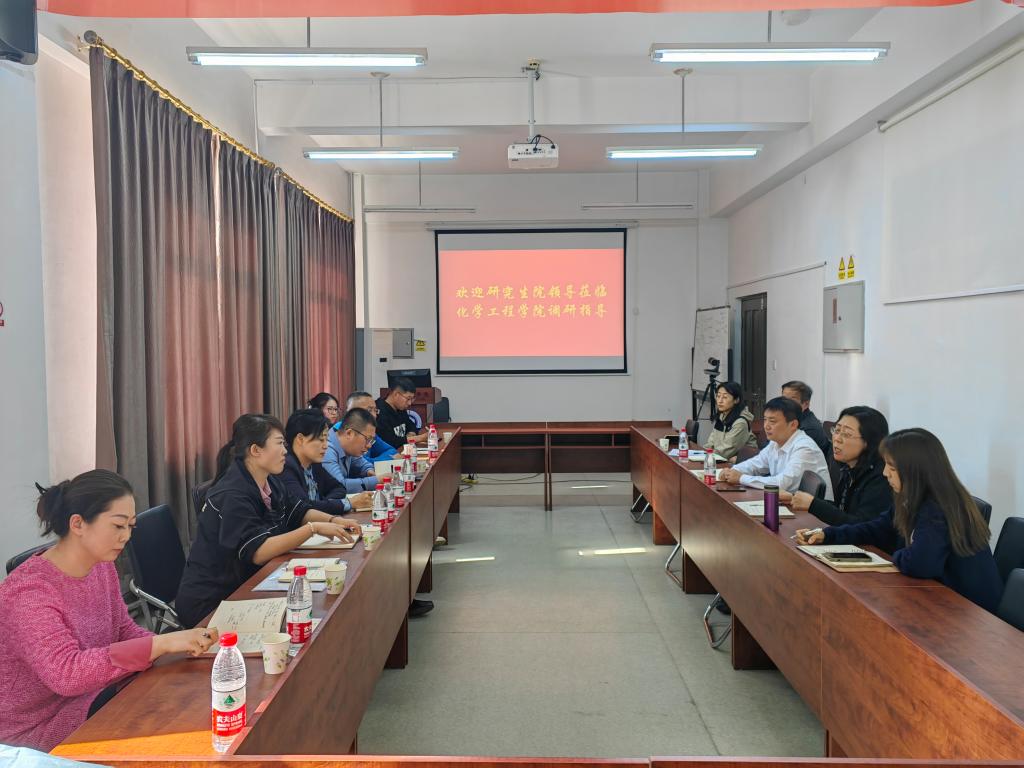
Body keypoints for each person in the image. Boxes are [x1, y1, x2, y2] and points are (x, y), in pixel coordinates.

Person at [0, 470, 218, 751]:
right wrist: (161, 644)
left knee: (186, 692)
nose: (126, 536)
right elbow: (67, 674)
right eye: (118, 526)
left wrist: (174, 647)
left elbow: (123, 630)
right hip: (38, 731)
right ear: (78, 523)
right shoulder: (28, 592)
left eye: (131, 526)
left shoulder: (100, 565)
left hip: (94, 695)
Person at [176, 414, 359, 628]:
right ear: (256, 450)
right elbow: (258, 551)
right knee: (307, 620)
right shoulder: (232, 494)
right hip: (213, 602)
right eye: (279, 443)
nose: (285, 451)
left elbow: (298, 511)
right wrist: (313, 529)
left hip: (252, 580)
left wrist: (334, 520)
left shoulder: (268, 479)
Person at [796, 428, 1002, 613]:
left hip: (970, 613)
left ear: (915, 472)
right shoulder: (910, 497)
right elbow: (877, 528)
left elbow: (921, 564)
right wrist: (828, 535)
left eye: (892, 468)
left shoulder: (937, 507)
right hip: (940, 599)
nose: (885, 473)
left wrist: (896, 555)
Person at [781, 406, 891, 526]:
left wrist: (813, 504)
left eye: (847, 434)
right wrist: (796, 499)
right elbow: (840, 510)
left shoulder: (882, 477)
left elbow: (861, 526)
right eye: (837, 431)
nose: (837, 439)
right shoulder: (849, 468)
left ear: (869, 442)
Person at [719, 396, 833, 499]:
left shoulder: (804, 448)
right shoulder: (776, 442)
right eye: (765, 420)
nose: (766, 426)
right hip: (789, 501)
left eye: (772, 421)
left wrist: (741, 478)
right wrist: (733, 471)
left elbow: (782, 483)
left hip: (814, 511)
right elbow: (756, 464)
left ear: (793, 424)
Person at [280, 408, 371, 517]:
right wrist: (347, 503)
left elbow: (339, 488)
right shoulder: (285, 466)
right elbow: (303, 508)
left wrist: (323, 505)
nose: (325, 446)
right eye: (321, 439)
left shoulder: (314, 464)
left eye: (326, 439)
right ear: (300, 439)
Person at [322, 408, 380, 492]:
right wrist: (376, 480)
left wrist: (369, 471)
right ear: (349, 433)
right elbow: (339, 485)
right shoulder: (326, 449)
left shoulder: (348, 447)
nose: (369, 445)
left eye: (371, 441)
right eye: (368, 439)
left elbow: (362, 463)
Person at [702, 381, 758, 460]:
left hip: (741, 463)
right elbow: (711, 443)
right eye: (718, 396)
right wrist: (701, 453)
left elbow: (726, 451)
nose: (720, 401)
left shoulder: (740, 422)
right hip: (721, 459)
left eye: (725, 397)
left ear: (736, 400)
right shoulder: (722, 416)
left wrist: (706, 456)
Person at [345, 391, 398, 462]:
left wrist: (373, 460)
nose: (374, 415)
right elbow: (360, 464)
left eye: (375, 410)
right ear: (351, 411)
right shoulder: (346, 434)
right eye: (369, 410)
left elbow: (392, 450)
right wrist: (389, 458)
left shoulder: (369, 432)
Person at [375, 378, 427, 450]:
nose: (409, 403)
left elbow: (410, 425)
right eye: (408, 398)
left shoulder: (400, 408)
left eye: (412, 399)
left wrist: (411, 433)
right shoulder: (378, 412)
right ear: (396, 394)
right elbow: (389, 441)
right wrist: (419, 438)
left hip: (402, 450)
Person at [781, 380, 831, 455]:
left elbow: (786, 455)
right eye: (783, 399)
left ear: (806, 404)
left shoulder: (809, 428)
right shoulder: (789, 419)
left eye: (791, 400)